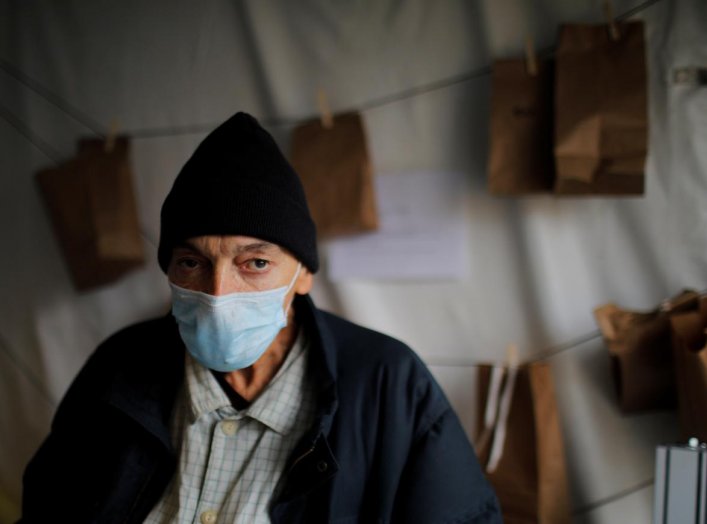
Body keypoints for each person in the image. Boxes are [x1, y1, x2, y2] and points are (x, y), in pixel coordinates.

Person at [19, 112, 501, 523]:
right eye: (192, 262)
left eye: (255, 263)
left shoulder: (389, 386)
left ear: (304, 274)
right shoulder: (118, 368)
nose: (218, 292)